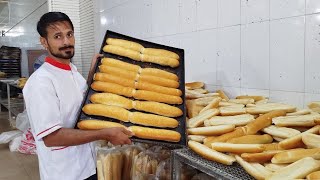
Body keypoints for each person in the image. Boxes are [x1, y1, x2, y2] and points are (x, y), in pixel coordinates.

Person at [23, 12, 133, 180]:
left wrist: (91, 75)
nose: (66, 42)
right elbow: (52, 138)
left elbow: (80, 104)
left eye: (69, 34)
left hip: (87, 165)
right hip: (65, 172)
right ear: (44, 42)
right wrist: (105, 133)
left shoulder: (72, 71)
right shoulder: (41, 82)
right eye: (58, 36)